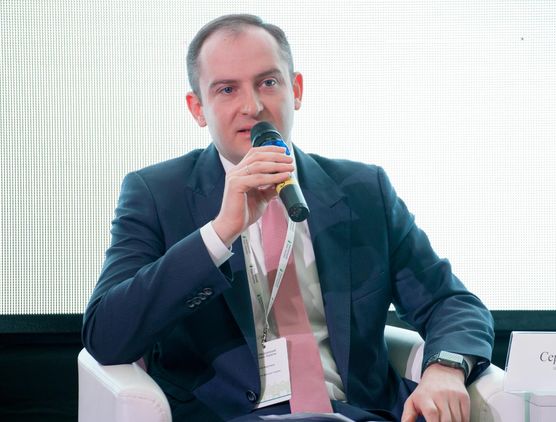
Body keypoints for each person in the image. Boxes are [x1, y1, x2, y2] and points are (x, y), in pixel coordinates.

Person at [82, 14, 494, 422]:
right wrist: (220, 232)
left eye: (268, 82)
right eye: (227, 89)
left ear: (295, 90)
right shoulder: (157, 194)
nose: (253, 106)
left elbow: (450, 301)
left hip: (355, 414)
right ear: (198, 108)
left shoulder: (364, 190)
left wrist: (446, 367)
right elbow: (106, 335)